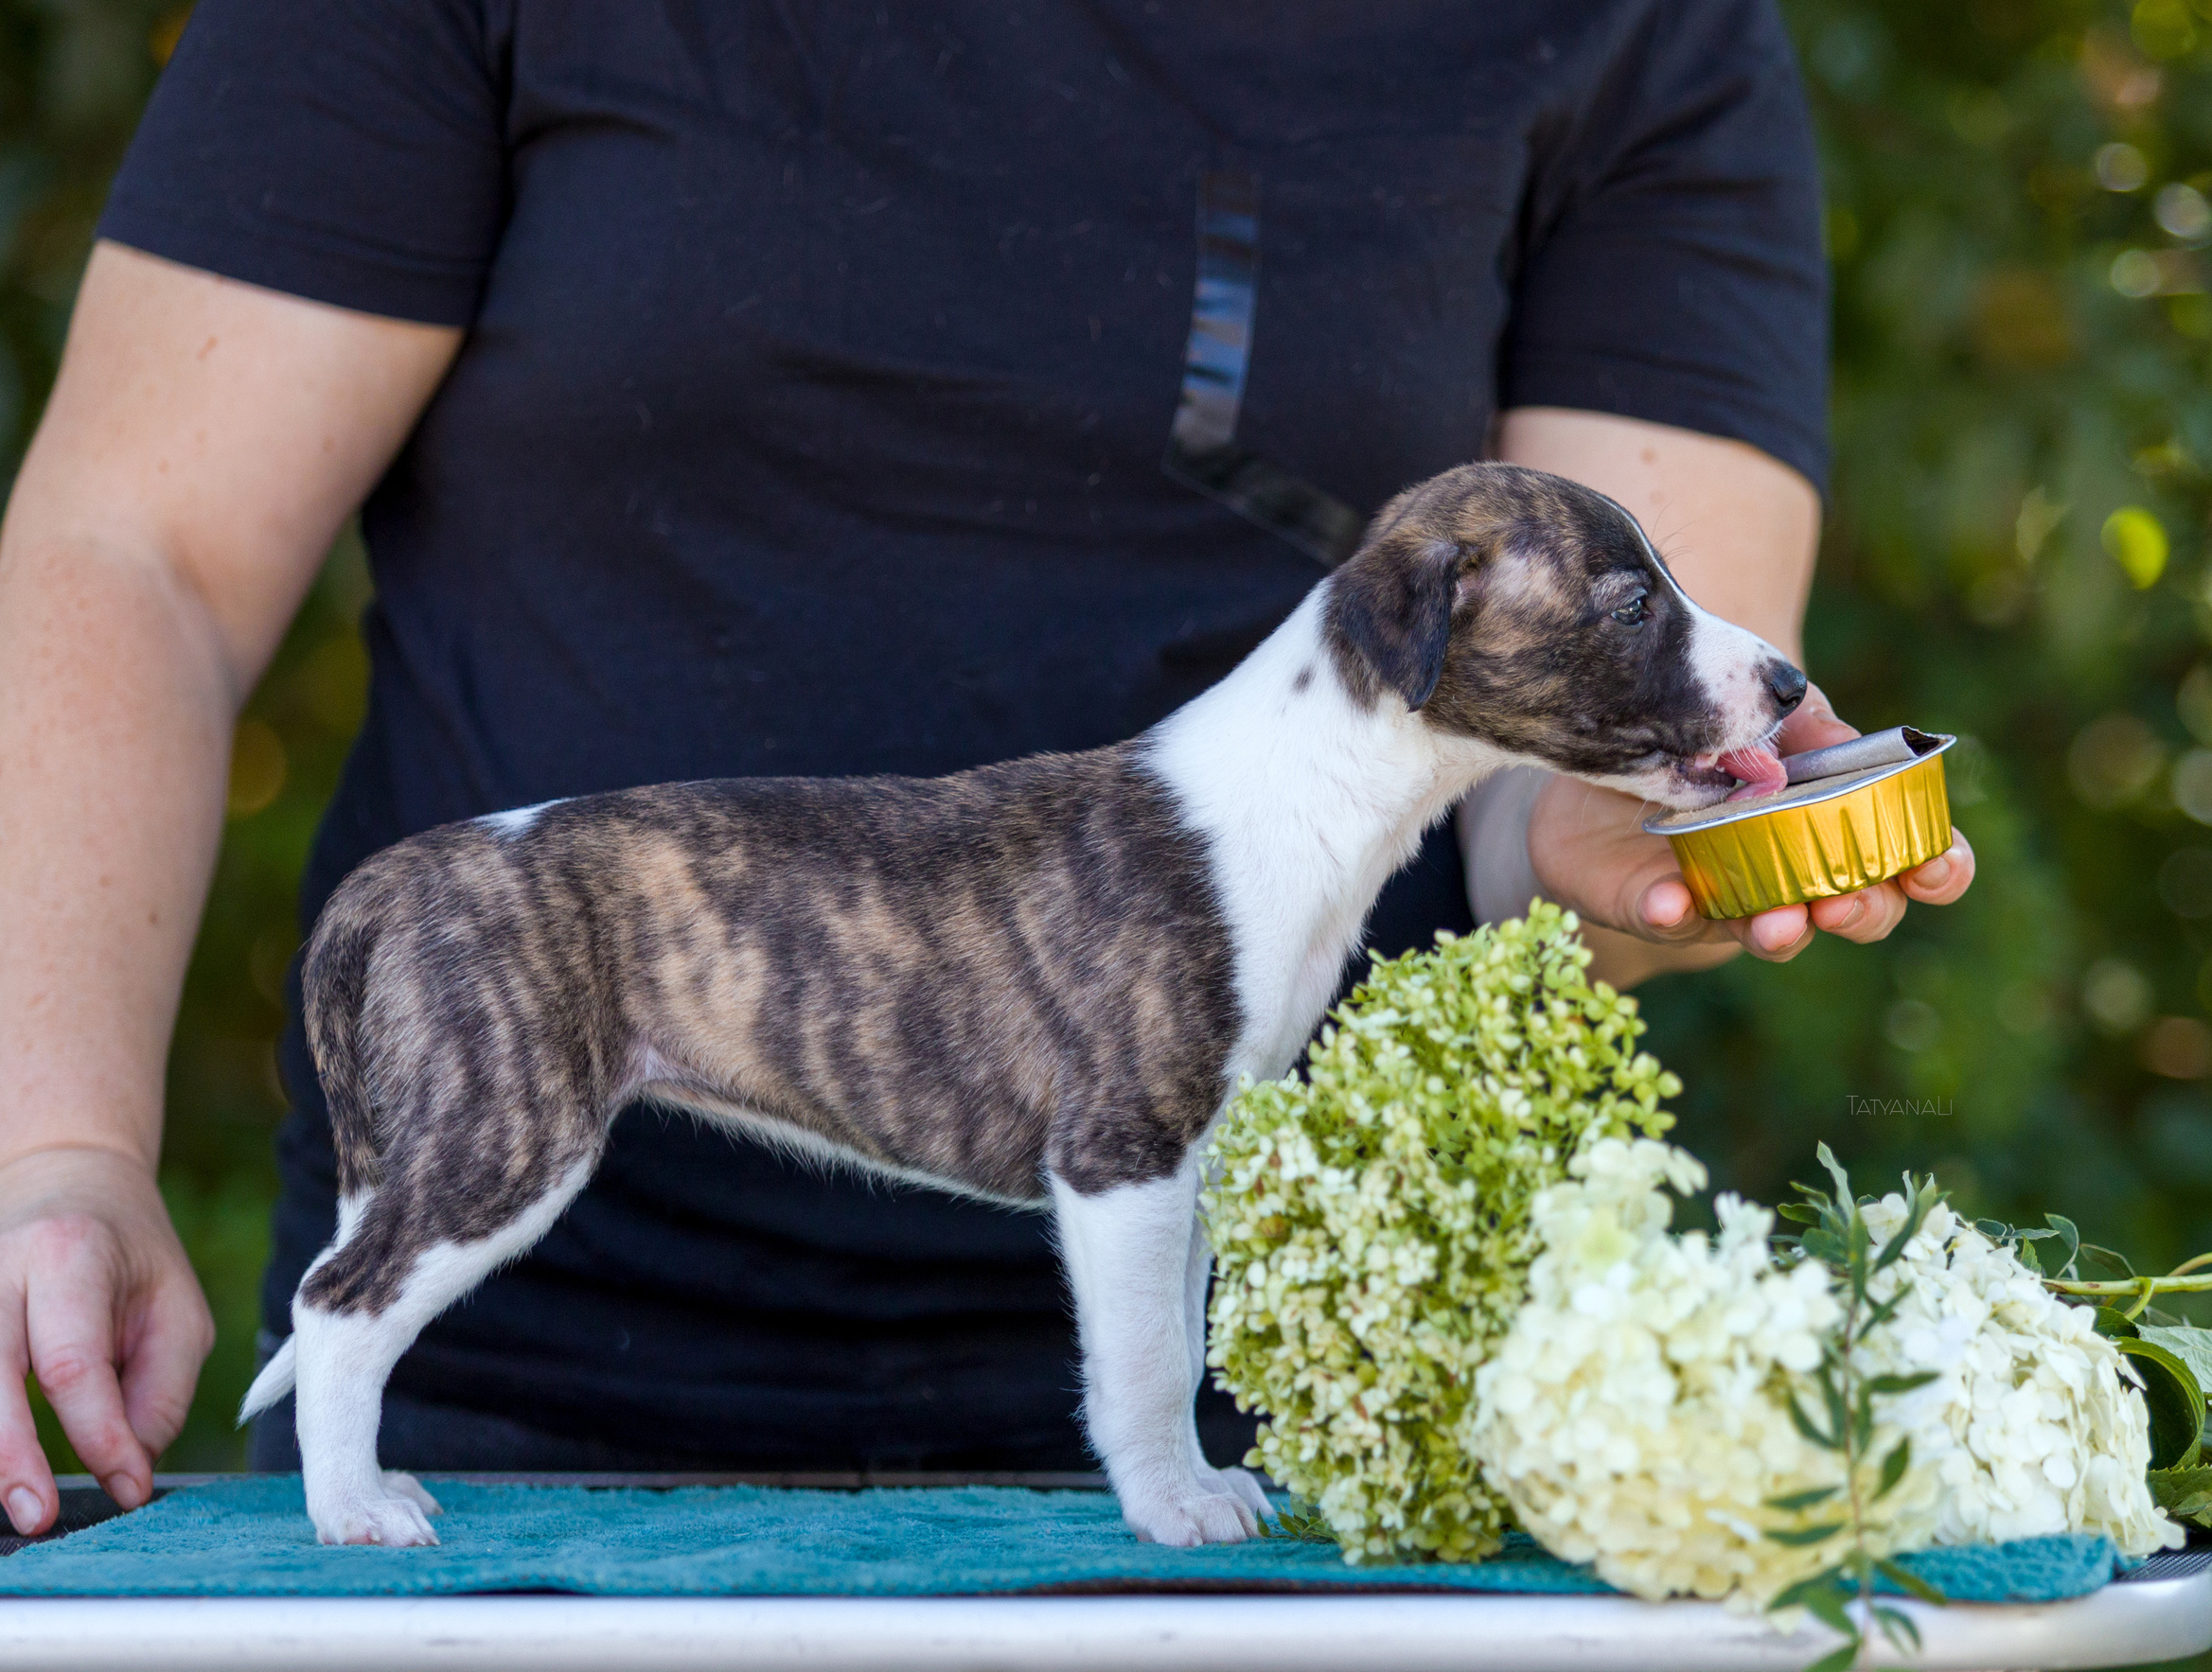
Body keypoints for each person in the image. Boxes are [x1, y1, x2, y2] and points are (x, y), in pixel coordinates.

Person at [0, 0, 1973, 1536]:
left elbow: (1588, 750)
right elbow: (139, 548)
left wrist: (1664, 839)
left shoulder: (1636, 30)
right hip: (535, 1404)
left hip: (1307, 1405)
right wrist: (55, 1144)